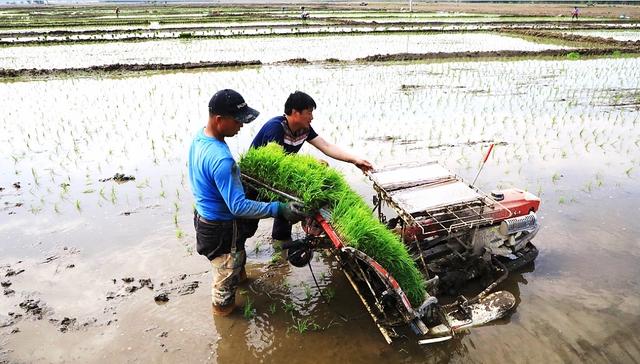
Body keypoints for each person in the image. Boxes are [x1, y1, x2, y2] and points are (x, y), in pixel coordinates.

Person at [189, 89, 305, 317]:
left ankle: (241, 280)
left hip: (204, 217)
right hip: (221, 228)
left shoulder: (200, 138)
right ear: (219, 119)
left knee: (236, 263)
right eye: (237, 121)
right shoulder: (222, 159)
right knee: (224, 285)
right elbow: (238, 207)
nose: (241, 126)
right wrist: (278, 208)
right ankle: (227, 323)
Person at [250, 91, 373, 242]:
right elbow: (275, 163)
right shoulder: (276, 127)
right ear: (295, 112)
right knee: (249, 222)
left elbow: (326, 146)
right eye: (309, 113)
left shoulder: (304, 129)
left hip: (280, 180)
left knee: (289, 206)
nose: (312, 117)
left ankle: (281, 247)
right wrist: (311, 164)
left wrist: (354, 160)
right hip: (257, 180)